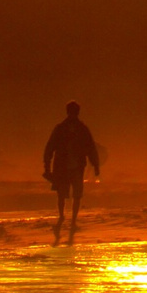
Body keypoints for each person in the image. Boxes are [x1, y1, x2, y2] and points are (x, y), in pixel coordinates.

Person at [43, 101, 100, 244]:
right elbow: (91, 148)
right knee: (75, 194)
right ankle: (72, 220)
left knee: (64, 194)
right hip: (72, 166)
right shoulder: (80, 129)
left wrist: (47, 165)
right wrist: (96, 165)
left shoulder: (62, 128)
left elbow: (50, 147)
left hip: (65, 166)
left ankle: (63, 217)